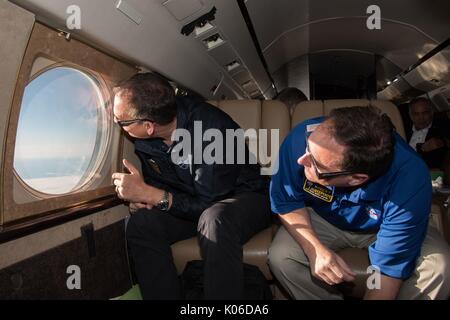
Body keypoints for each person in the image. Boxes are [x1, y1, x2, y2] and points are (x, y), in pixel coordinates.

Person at [111, 73, 271, 300]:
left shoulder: (212, 131)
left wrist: (155, 196)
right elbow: (161, 182)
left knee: (215, 219)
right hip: (193, 202)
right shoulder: (146, 140)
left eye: (122, 122)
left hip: (245, 198)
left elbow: (209, 203)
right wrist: (144, 197)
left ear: (148, 126)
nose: (118, 125)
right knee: (142, 223)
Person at [268, 106, 450, 300]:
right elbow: (286, 201)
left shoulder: (409, 177)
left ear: (356, 179)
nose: (301, 160)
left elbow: (388, 271)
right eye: (307, 148)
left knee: (438, 268)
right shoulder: (303, 137)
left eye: (317, 165)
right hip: (324, 217)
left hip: (385, 225)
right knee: (283, 256)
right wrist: (314, 250)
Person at [407, 97, 449, 170]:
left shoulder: (443, 126)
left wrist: (443, 142)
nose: (421, 118)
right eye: (416, 114)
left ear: (431, 112)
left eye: (425, 113)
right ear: (410, 115)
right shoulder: (403, 130)